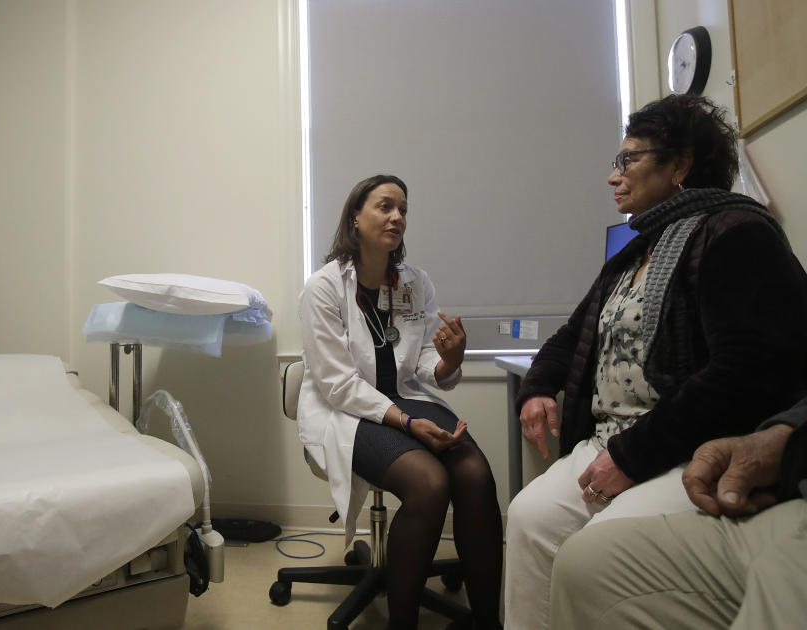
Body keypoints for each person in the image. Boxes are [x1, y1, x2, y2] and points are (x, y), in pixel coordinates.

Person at [503, 94, 807, 630]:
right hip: (612, 442)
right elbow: (571, 335)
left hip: (686, 450)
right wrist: (537, 389)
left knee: (597, 550)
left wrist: (631, 456)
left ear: (680, 164)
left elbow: (745, 373)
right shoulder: (633, 254)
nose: (613, 176)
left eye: (628, 159)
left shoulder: (736, 233)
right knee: (528, 518)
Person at [297, 174, 503, 629]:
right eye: (385, 206)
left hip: (404, 398)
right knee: (429, 483)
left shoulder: (414, 283)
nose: (397, 217)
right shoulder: (325, 288)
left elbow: (423, 361)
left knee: (474, 474)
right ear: (356, 216)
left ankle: (487, 620)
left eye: (403, 209)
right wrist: (407, 425)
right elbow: (338, 385)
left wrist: (449, 361)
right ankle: (402, 622)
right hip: (348, 410)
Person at [549, 397, 807, 629]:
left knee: (783, 588)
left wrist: (632, 453)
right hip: (791, 503)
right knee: (583, 558)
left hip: (669, 448)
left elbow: (735, 373)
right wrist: (786, 435)